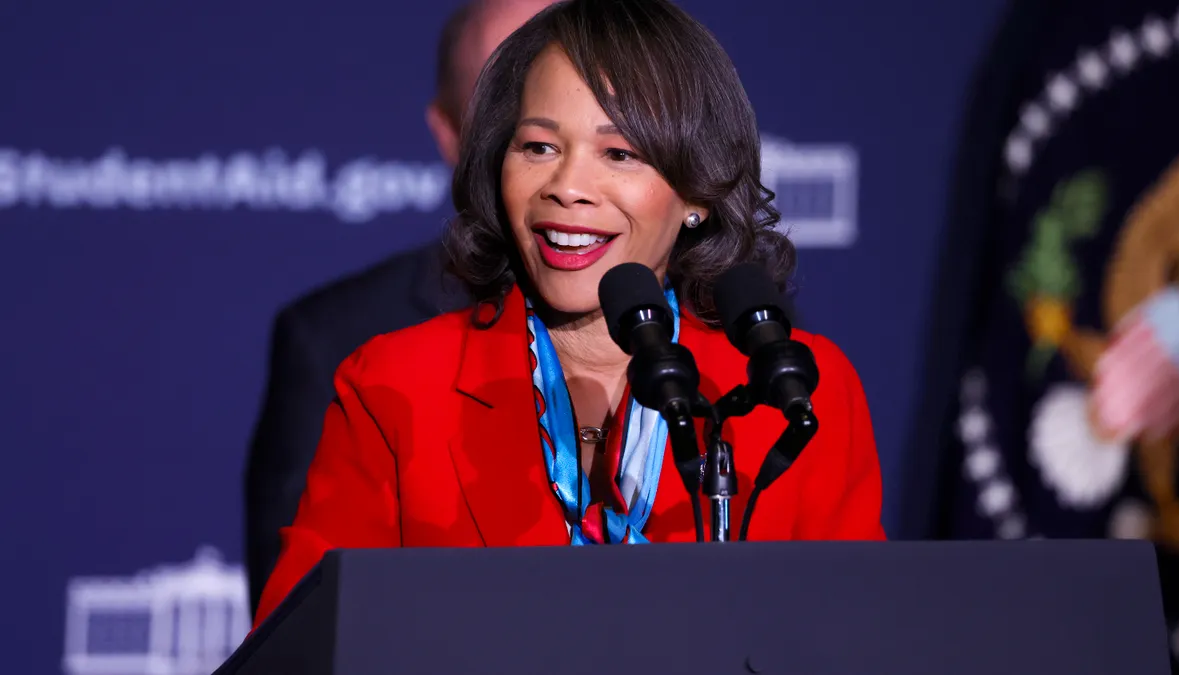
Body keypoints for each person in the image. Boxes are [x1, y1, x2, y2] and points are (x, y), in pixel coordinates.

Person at [251, 0, 886, 630]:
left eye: (619, 153)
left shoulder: (795, 395)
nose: (568, 185)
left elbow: (859, 641)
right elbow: (302, 646)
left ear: (697, 191)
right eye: (538, 146)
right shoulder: (393, 384)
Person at [241, 0, 556, 618]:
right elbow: (302, 631)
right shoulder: (339, 340)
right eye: (508, 106)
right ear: (449, 135)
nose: (546, 142)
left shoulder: (732, 335)